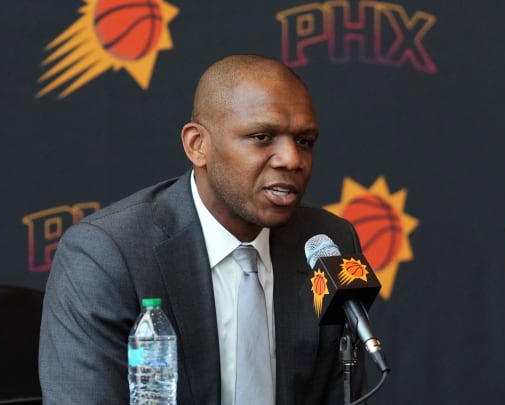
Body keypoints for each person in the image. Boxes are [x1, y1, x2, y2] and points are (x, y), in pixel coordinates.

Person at [38, 54, 366, 404]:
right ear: (198, 145)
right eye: (261, 136)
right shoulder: (106, 253)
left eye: (304, 141)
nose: (291, 159)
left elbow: (343, 391)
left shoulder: (329, 243)